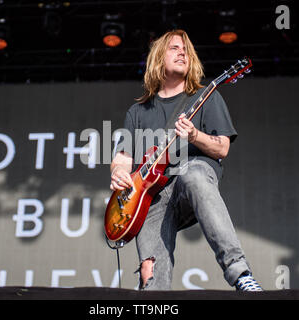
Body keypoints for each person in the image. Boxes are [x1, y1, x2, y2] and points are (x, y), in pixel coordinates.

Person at [109, 29, 262, 291]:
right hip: (151, 194)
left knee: (194, 174)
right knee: (150, 274)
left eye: (186, 50)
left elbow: (222, 148)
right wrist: (119, 173)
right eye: (174, 48)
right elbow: (122, 157)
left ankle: (240, 274)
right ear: (158, 58)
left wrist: (194, 135)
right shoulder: (137, 111)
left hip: (193, 180)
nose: (183, 53)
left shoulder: (207, 96)